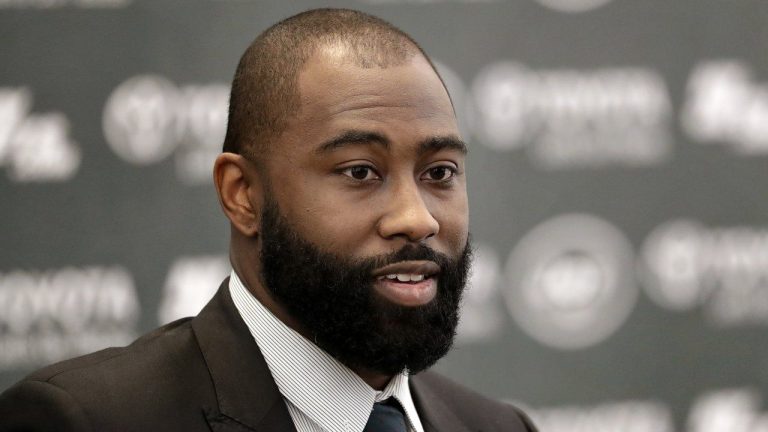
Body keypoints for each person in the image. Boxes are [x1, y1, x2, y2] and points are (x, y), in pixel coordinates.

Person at [0, 8, 536, 432]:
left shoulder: (499, 426)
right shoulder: (86, 420)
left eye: (440, 172)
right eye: (359, 172)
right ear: (243, 196)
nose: (416, 219)